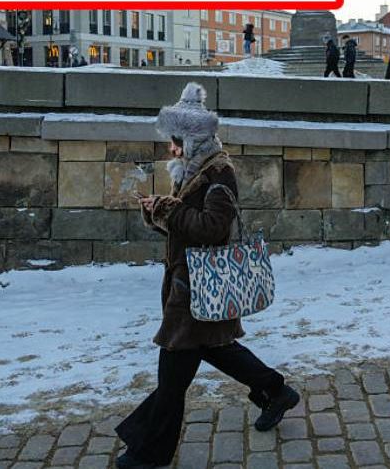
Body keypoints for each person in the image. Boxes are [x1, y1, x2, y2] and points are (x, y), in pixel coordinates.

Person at [117, 83, 299, 469]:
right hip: (191, 283)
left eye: (176, 141)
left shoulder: (219, 173)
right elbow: (185, 223)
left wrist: (167, 209)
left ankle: (149, 453)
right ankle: (275, 391)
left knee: (173, 375)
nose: (171, 149)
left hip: (198, 285)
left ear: (194, 139)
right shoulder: (193, 170)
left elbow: (214, 227)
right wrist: (158, 212)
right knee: (218, 350)